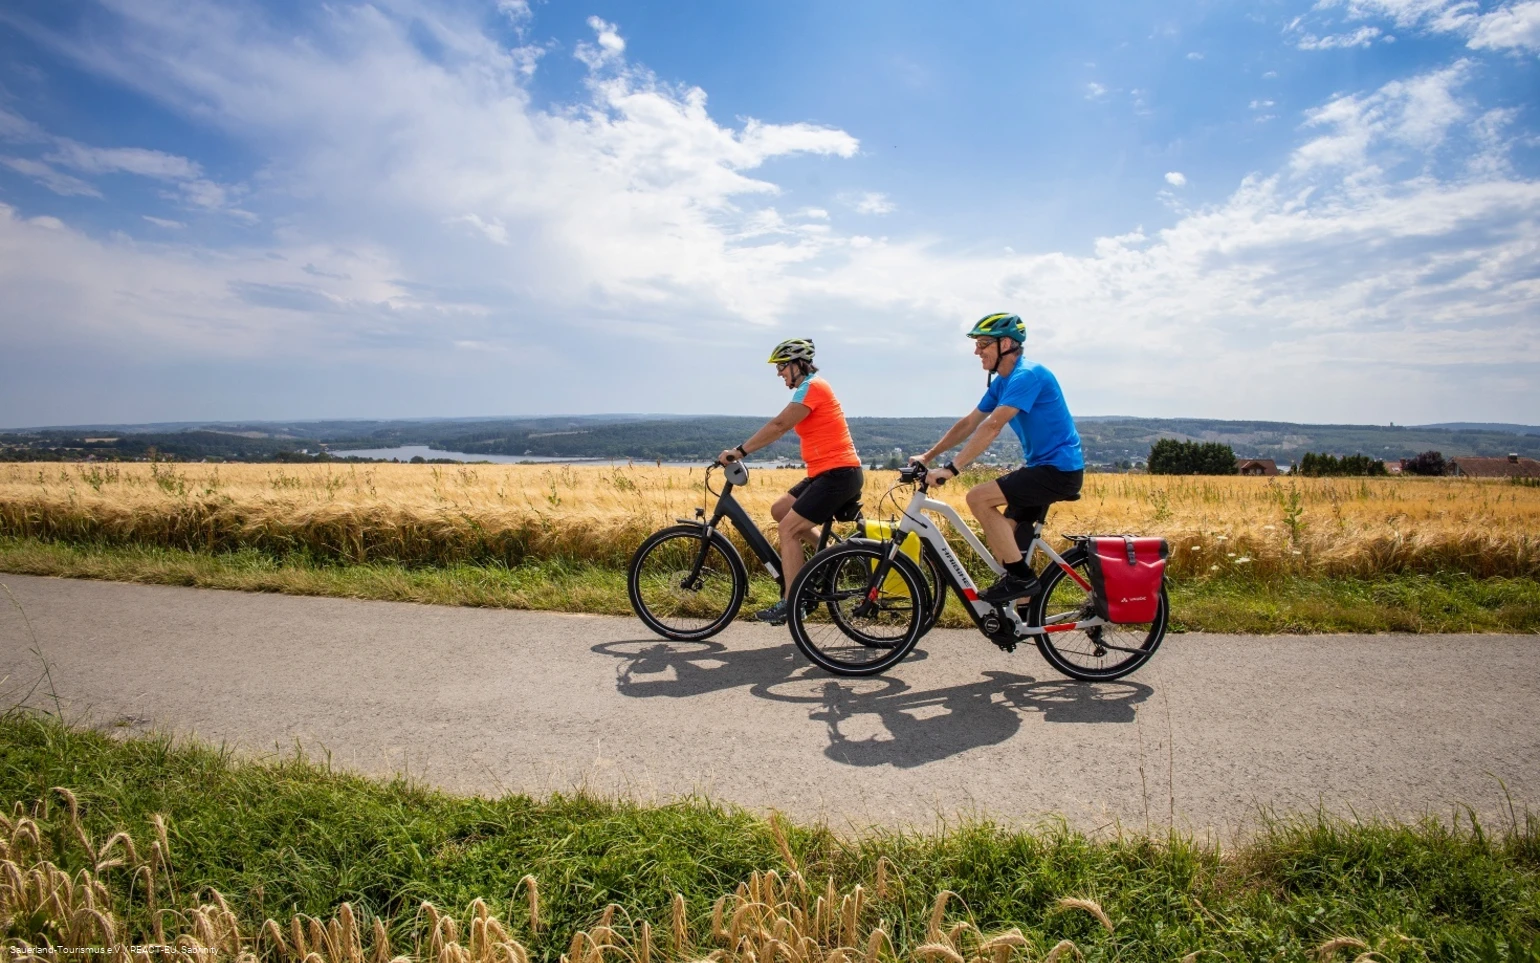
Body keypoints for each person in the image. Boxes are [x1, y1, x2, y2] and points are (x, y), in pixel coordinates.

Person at [912, 312, 1084, 604]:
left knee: (978, 498)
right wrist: (928, 456)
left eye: (983, 343)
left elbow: (992, 426)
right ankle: (1026, 608)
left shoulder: (1027, 375)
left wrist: (952, 468)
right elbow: (969, 423)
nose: (976, 351)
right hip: (1042, 468)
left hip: (1058, 470)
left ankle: (1022, 580)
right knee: (1005, 546)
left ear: (1006, 343)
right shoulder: (1002, 382)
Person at [718, 338, 864, 624]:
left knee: (788, 530)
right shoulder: (809, 388)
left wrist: (740, 451)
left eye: (782, 366)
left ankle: (792, 601)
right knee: (780, 510)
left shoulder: (814, 387)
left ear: (799, 364)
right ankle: (831, 554)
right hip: (826, 473)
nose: (779, 372)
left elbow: (779, 425)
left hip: (839, 474)